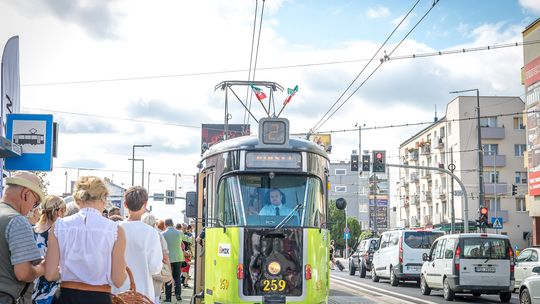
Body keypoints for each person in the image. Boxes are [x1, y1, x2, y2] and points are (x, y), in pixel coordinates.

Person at [45, 176, 127, 304]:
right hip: (99, 297)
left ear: (77, 199)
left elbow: (50, 274)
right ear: (104, 198)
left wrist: (67, 273)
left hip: (65, 296)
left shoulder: (59, 226)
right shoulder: (115, 230)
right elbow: (118, 280)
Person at [0, 171, 46, 303]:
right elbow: (23, 273)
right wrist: (41, 268)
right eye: (35, 202)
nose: (33, 208)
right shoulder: (16, 220)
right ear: (25, 194)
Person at [113, 186, 162, 302]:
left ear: (125, 204)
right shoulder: (151, 233)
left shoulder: (114, 228)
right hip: (142, 292)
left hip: (117, 291)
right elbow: (155, 268)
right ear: (145, 204)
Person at [32, 195, 66, 304]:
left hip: (31, 286)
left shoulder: (31, 230)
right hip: (51, 290)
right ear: (58, 211)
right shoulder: (58, 233)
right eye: (64, 211)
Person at [142, 213, 172, 304]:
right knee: (154, 298)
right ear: (154, 223)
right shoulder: (158, 235)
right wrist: (170, 273)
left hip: (140, 271)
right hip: (155, 272)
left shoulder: (139, 233)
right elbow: (165, 257)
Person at [162, 219, 191, 302]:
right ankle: (178, 295)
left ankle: (168, 298)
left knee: (168, 277)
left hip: (168, 258)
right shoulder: (179, 233)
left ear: (165, 225)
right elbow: (189, 239)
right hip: (178, 257)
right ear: (173, 224)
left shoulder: (163, 234)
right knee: (177, 277)